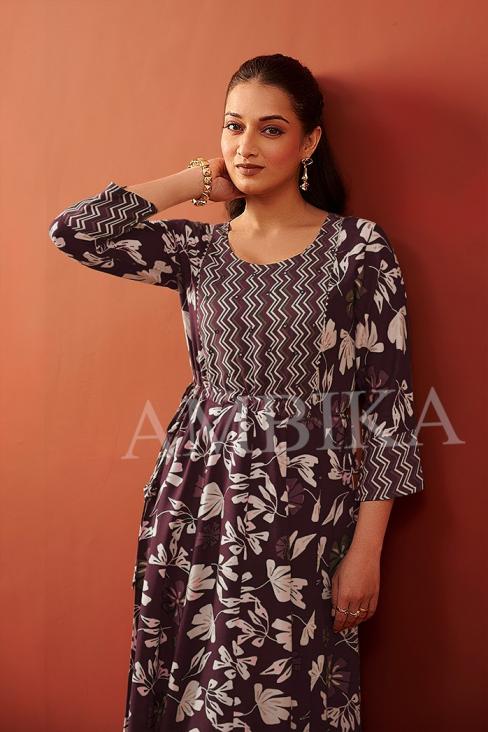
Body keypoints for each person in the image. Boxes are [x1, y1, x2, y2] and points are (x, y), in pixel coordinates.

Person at [47, 54, 424, 732]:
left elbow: (389, 409)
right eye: (233, 127)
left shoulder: (358, 249)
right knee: (193, 691)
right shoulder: (198, 251)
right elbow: (75, 231)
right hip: (197, 504)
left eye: (270, 129)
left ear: (309, 141)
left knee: (285, 697)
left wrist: (366, 551)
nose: (247, 146)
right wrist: (194, 181)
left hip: (305, 521)